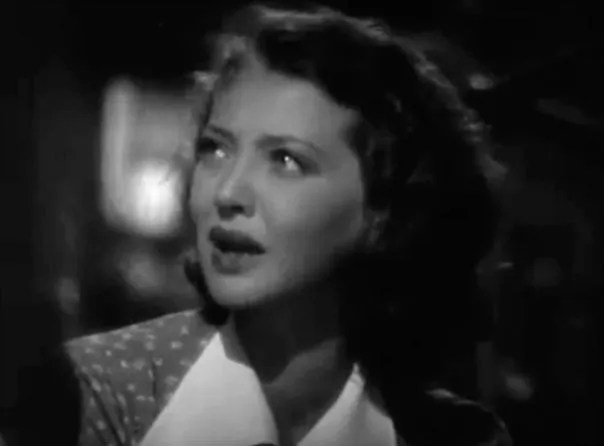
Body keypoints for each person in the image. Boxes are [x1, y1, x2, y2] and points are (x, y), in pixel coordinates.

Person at [26, 3, 511, 445]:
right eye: (215, 149)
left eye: (286, 160)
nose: (227, 193)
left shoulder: (455, 437)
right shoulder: (94, 391)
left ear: (384, 209)